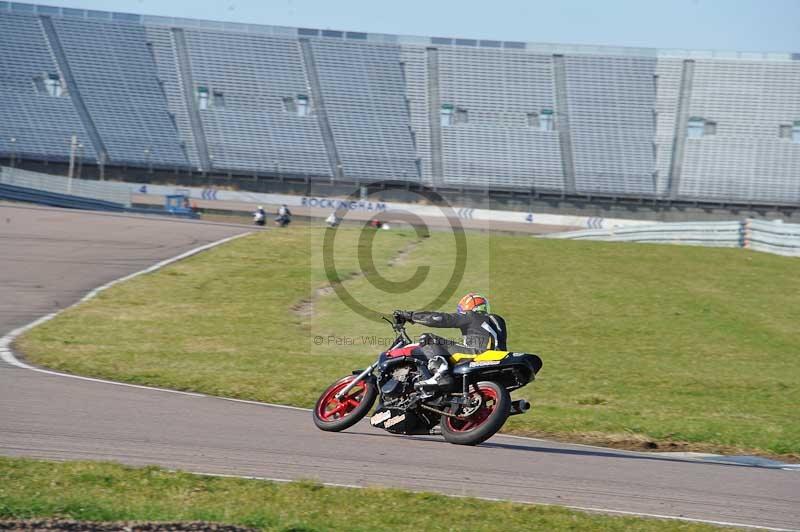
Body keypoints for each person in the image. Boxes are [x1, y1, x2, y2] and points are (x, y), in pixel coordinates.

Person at [394, 292, 506, 392]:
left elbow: (441, 319)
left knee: (428, 338)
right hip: (497, 360)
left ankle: (440, 374)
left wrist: (411, 316)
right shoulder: (498, 321)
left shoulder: (471, 316)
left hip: (478, 354)